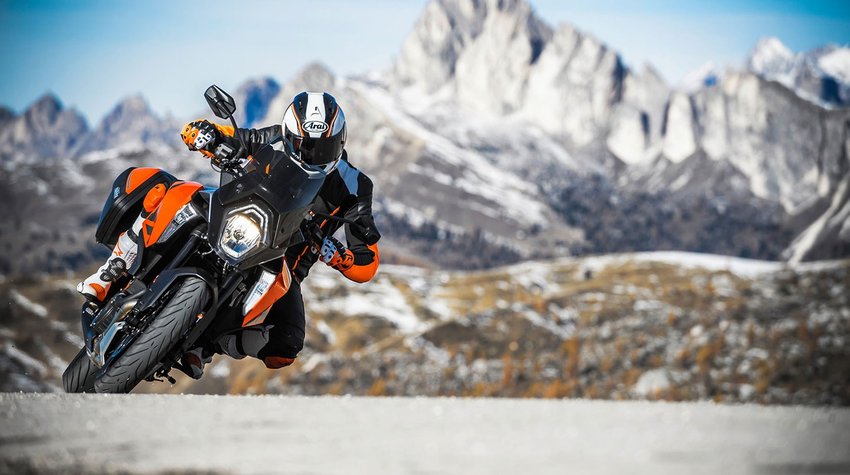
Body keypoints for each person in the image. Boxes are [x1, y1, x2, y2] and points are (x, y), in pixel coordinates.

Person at [78, 91, 381, 377]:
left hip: (282, 262)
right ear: (290, 135)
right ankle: (111, 271)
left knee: (285, 346)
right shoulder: (274, 139)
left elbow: (368, 263)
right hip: (233, 213)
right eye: (304, 145)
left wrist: (338, 256)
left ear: (340, 142)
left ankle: (208, 344)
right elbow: (224, 133)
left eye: (323, 148)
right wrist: (203, 134)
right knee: (168, 190)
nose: (312, 155)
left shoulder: (356, 186)